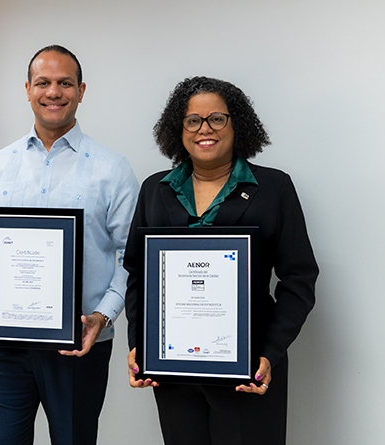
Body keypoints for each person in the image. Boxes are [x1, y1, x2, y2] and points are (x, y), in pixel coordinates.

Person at [0, 45, 139, 445]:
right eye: (43, 82)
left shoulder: (112, 170)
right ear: (27, 89)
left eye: (65, 83)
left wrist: (103, 316)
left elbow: (133, 257)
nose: (53, 92)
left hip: (78, 345)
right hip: (3, 346)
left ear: (81, 91)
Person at [124, 76, 318, 445]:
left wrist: (269, 353)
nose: (204, 129)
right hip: (173, 368)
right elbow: (137, 273)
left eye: (217, 118)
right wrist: (140, 344)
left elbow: (299, 279)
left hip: (248, 368)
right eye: (192, 120)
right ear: (178, 129)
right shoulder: (155, 189)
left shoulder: (273, 188)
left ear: (236, 123)